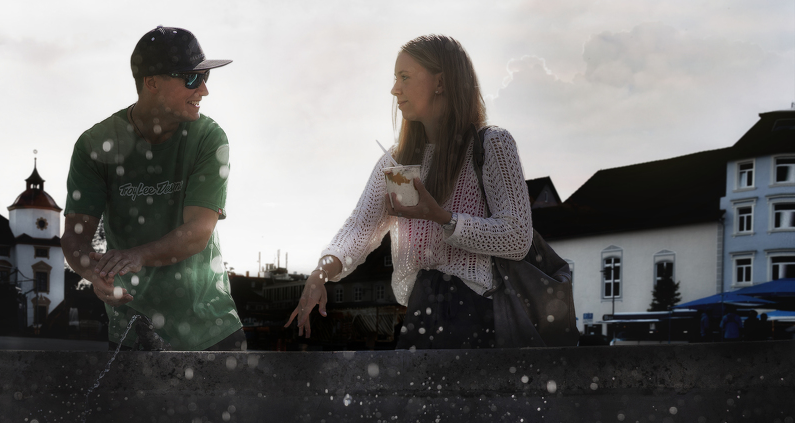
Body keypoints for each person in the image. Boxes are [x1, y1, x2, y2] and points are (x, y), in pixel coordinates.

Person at [286, 34, 533, 349]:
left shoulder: (492, 144)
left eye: (405, 77)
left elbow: (517, 237)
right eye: (394, 78)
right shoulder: (396, 160)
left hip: (477, 316)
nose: (394, 89)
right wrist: (320, 273)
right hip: (419, 313)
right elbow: (360, 228)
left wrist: (442, 217)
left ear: (440, 82)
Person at [61, 26, 245, 351]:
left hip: (210, 330)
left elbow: (199, 232)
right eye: (191, 78)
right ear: (152, 82)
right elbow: (76, 236)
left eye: (205, 77)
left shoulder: (209, 139)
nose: (203, 90)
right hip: (131, 332)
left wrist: (137, 256)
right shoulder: (94, 146)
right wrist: (95, 274)